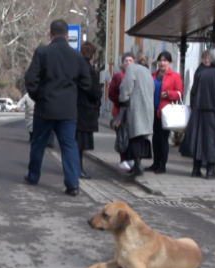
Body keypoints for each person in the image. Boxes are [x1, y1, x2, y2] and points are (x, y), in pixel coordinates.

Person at [24, 19, 91, 196]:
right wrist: (73, 99)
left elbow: (31, 80)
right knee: (69, 146)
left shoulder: (42, 52)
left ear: (50, 34)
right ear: (67, 35)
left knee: (39, 143)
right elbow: (86, 84)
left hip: (45, 107)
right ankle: (72, 184)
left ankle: (33, 176)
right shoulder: (76, 56)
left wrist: (37, 96)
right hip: (68, 110)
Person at [179, 48, 215, 180]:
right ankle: (210, 170)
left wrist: (195, 109)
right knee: (212, 141)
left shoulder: (200, 74)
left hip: (198, 112)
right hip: (214, 114)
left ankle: (196, 169)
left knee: (199, 140)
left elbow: (193, 93)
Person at [145, 51, 183, 174]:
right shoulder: (153, 75)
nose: (162, 63)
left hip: (165, 113)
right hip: (153, 111)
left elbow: (179, 93)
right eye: (160, 60)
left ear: (169, 62)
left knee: (162, 139)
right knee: (155, 139)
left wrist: (168, 94)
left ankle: (162, 164)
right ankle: (155, 163)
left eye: (165, 60)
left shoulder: (175, 76)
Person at [119, 52, 154, 178]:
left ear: (135, 60)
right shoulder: (147, 72)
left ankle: (138, 166)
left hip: (136, 108)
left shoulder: (132, 68)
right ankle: (137, 165)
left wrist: (123, 99)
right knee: (142, 138)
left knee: (134, 137)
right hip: (147, 110)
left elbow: (125, 86)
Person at [76, 42, 102, 179]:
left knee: (76, 141)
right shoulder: (90, 70)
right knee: (80, 143)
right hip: (86, 110)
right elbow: (95, 92)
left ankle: (76, 168)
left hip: (76, 109)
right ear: (92, 55)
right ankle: (78, 169)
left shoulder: (76, 67)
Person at [108, 52, 135, 171]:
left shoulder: (136, 74)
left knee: (132, 136)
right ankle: (123, 159)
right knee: (122, 136)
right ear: (122, 63)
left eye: (130, 60)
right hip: (120, 112)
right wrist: (121, 102)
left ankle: (131, 158)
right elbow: (111, 93)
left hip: (133, 111)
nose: (128, 63)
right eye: (126, 61)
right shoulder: (118, 76)